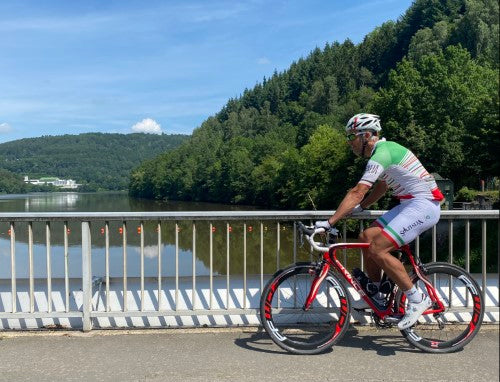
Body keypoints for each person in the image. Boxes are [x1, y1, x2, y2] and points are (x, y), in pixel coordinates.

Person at [314, 113, 444, 330]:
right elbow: (382, 187)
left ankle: (416, 298)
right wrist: (361, 208)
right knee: (366, 237)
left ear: (366, 136)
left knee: (379, 249)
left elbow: (358, 191)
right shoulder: (383, 153)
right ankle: (377, 293)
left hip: (424, 205)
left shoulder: (382, 153)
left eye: (351, 137)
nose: (349, 143)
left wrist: (329, 222)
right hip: (409, 204)